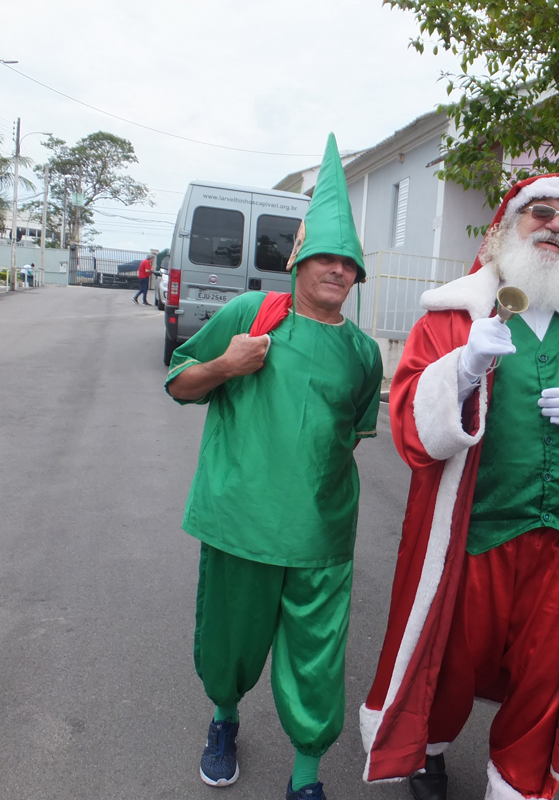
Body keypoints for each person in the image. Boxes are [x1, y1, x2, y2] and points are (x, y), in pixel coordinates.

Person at [361, 174, 559, 800]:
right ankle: (428, 754)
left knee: (543, 679)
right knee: (448, 661)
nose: (556, 226)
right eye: (542, 213)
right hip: (475, 533)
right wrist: (463, 370)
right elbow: (409, 417)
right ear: (509, 226)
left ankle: (516, 786)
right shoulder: (456, 313)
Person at [166, 133, 383, 800]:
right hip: (241, 523)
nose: (335, 269)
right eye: (322, 255)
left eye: (347, 262)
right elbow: (179, 385)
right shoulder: (247, 315)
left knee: (316, 661)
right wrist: (226, 366)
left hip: (320, 535)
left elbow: (350, 435)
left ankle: (306, 776)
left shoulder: (364, 354)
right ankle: (224, 719)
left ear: (356, 275)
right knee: (230, 643)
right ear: (296, 258)